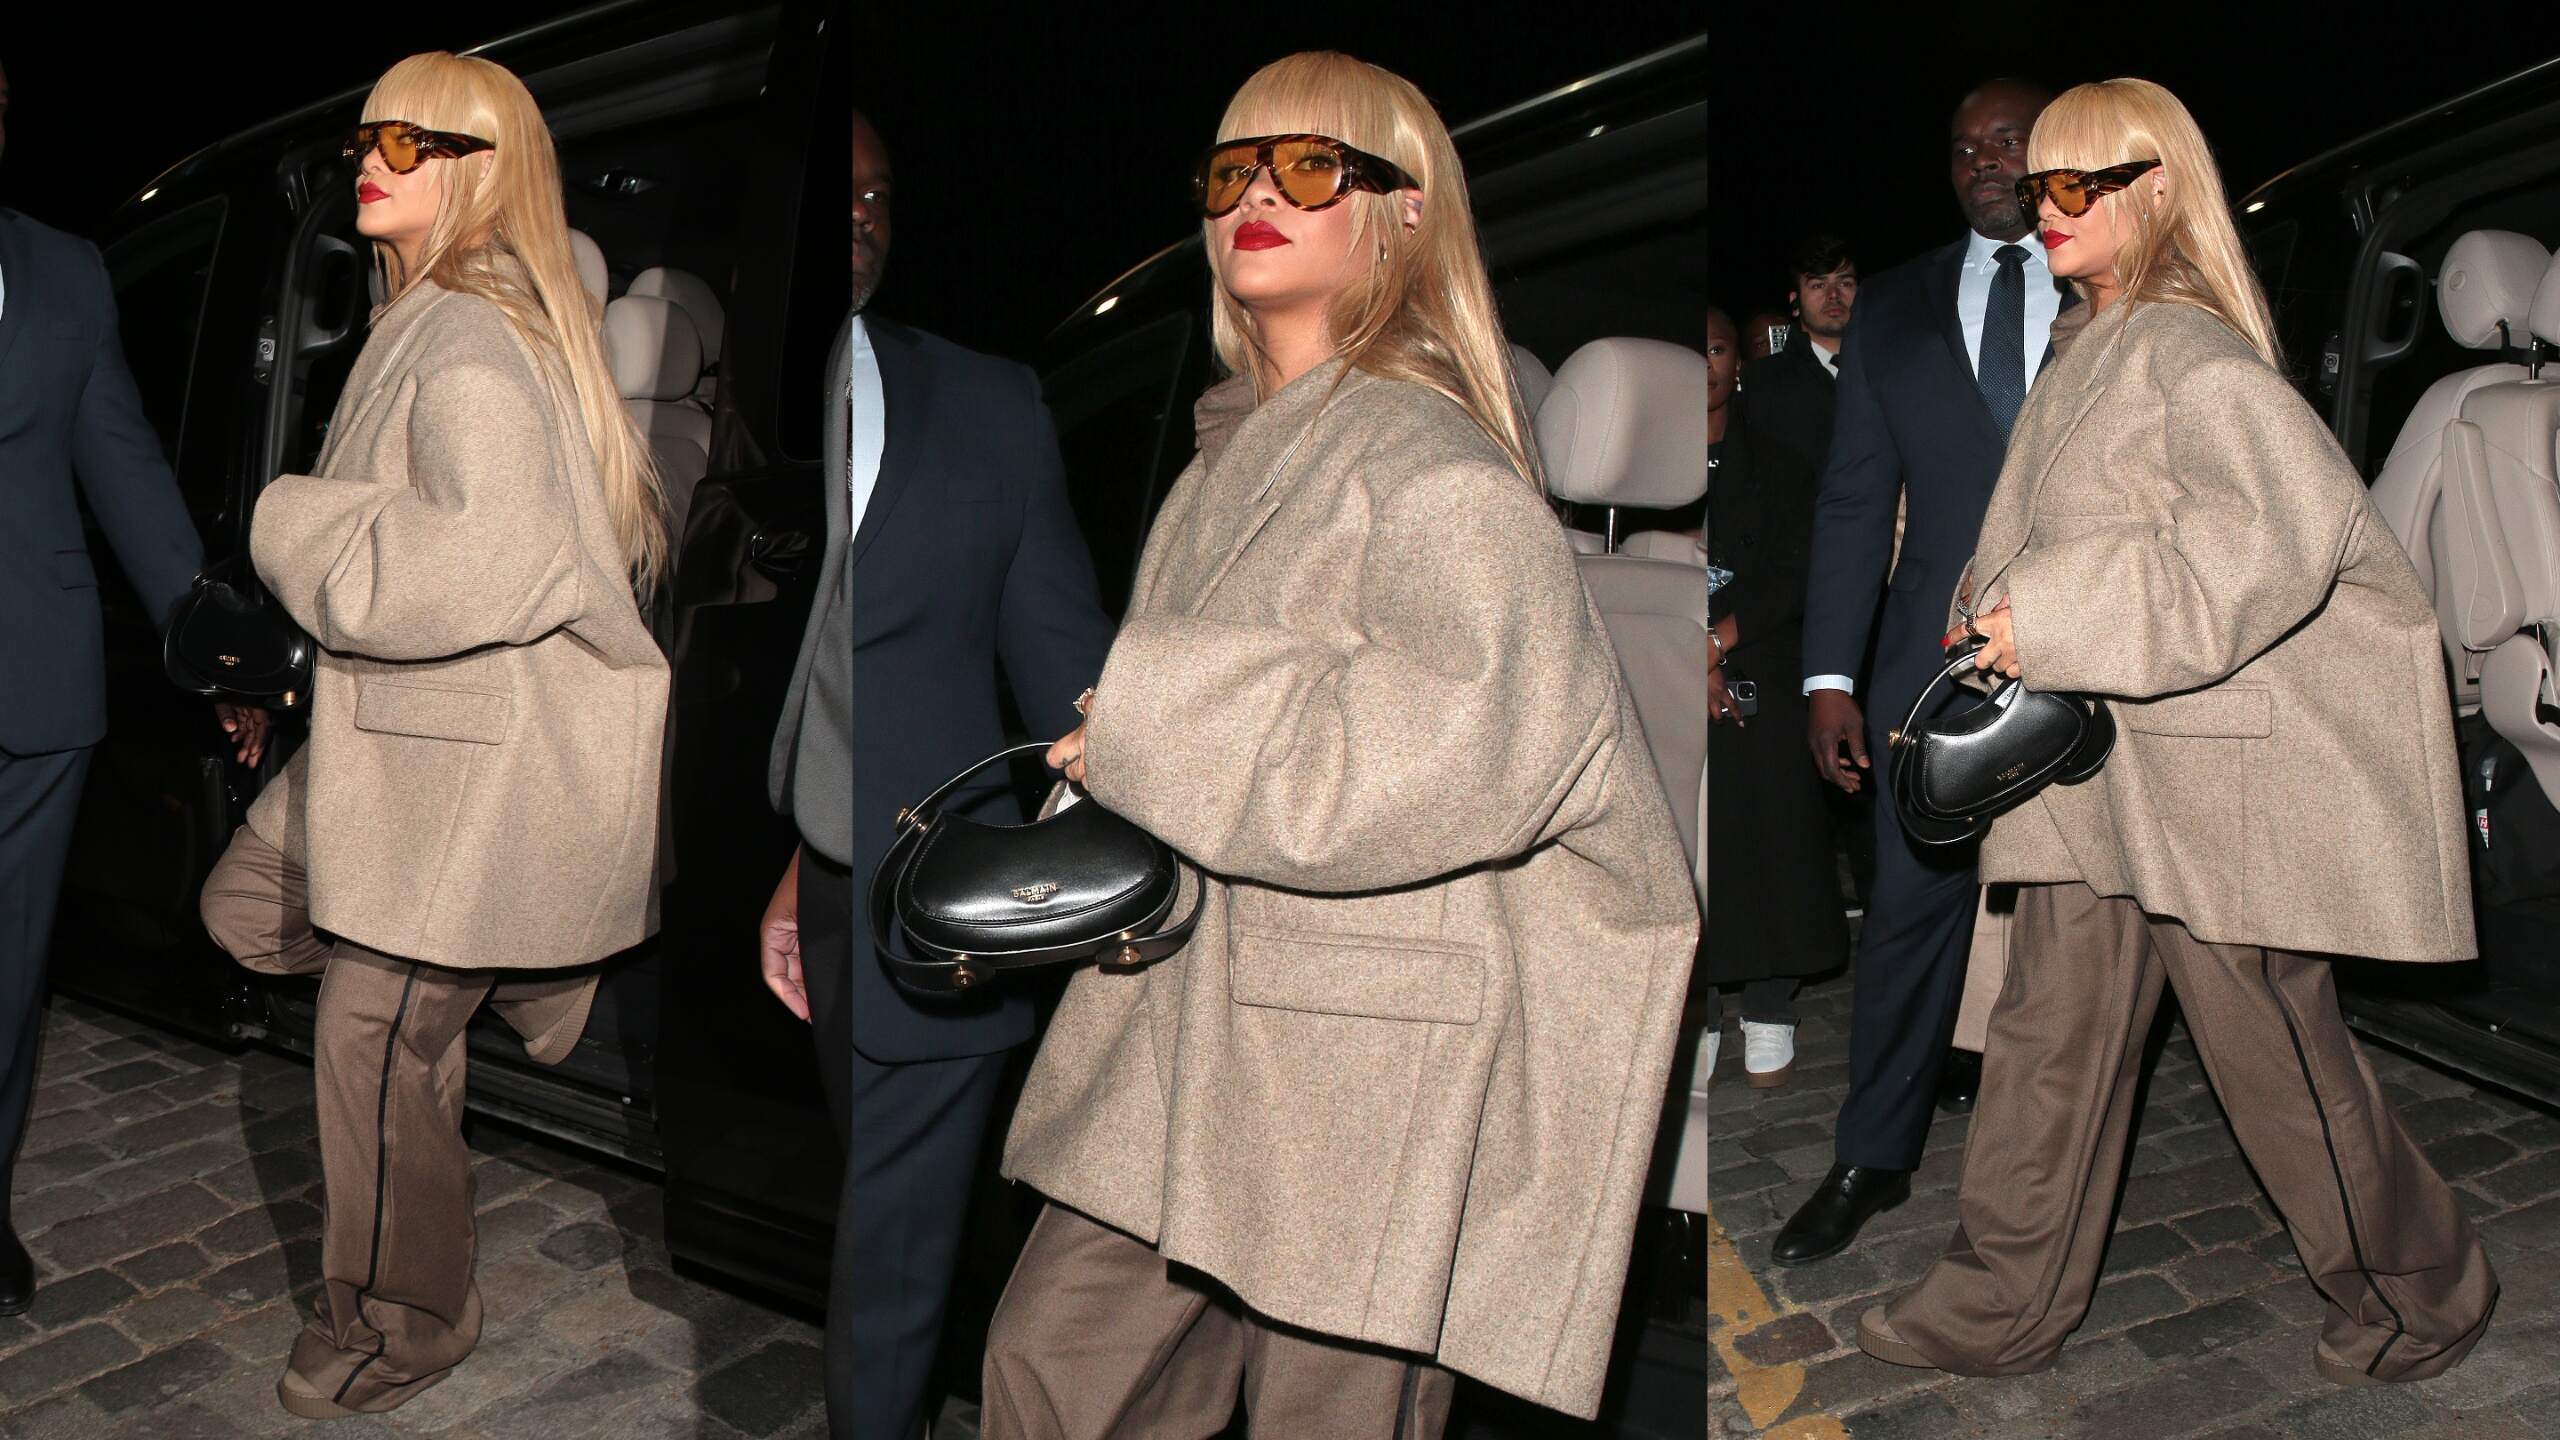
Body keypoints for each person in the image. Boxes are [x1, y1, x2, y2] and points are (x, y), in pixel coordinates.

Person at [981, 52, 1698, 1438]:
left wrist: (1151, 710)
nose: (1260, 193)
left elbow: (1483, 740)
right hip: (1191, 1014)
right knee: (1044, 1374)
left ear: (1406, 212)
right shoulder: (1229, 456)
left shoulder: (1433, 462)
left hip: (1363, 1059)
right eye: (1233, 169)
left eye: (1312, 167)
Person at [1857, 76, 2498, 1386]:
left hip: (2203, 776)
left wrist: (2058, 614)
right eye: (2042, 187)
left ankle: (2420, 1293)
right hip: (2092, 770)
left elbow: (2278, 540)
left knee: (2276, 1054)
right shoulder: (2098, 338)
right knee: (2046, 1041)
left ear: (2159, 190)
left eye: (2078, 185)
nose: (2048, 209)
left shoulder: (2189, 347)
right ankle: (2003, 1303)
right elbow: (2086, 521)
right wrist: (1994, 600)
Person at [196, 53, 671, 1417]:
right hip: (403, 746)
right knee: (246, 909)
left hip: (453, 767)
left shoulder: (465, 333)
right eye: (369, 133)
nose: (374, 156)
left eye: (411, 140)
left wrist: (287, 521)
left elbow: (484, 560)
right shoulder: (433, 318)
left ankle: (408, 1322)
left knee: (368, 1039)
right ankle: (530, 965)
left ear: (478, 166)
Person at [753, 109, 1113, 1440]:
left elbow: (1073, 681)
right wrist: (799, 862)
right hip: (830, 878)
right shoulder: (740, 403)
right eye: (833, 191)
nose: (859, 215)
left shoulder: (989, 405)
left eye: (880, 195)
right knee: (877, 1220)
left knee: (891, 1258)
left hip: (944, 902)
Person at [1775, 78, 2067, 1267]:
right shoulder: (1892, 307)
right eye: (1962, 148)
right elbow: (1854, 504)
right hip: (1926, 675)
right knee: (1906, 917)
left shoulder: (2123, 287)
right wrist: (1828, 678)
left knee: (2096, 930)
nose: (1984, 161)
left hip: (2096, 660)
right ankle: (1871, 1156)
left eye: (2008, 140)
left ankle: (2042, 1177)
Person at [0, 53, 264, 1318]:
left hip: (32, 685)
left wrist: (207, 640)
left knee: (8, 972)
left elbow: (124, 469)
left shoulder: (63, 269)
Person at [1703, 307, 1847, 1088]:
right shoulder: (1646, 464)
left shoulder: (1783, 464)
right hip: (1670, 661)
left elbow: (1796, 572)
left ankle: (1769, 1001)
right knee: (1694, 836)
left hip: (1760, 653)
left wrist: (1718, 641)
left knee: (1771, 824)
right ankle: (1698, 1005)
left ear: (1740, 362)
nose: (1705, 364)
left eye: (1718, 349)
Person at [1742, 233, 1855, 475]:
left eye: (1845, 283)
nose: (1834, 295)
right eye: (1818, 285)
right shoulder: (1763, 382)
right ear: (1794, 302)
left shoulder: (1887, 369)